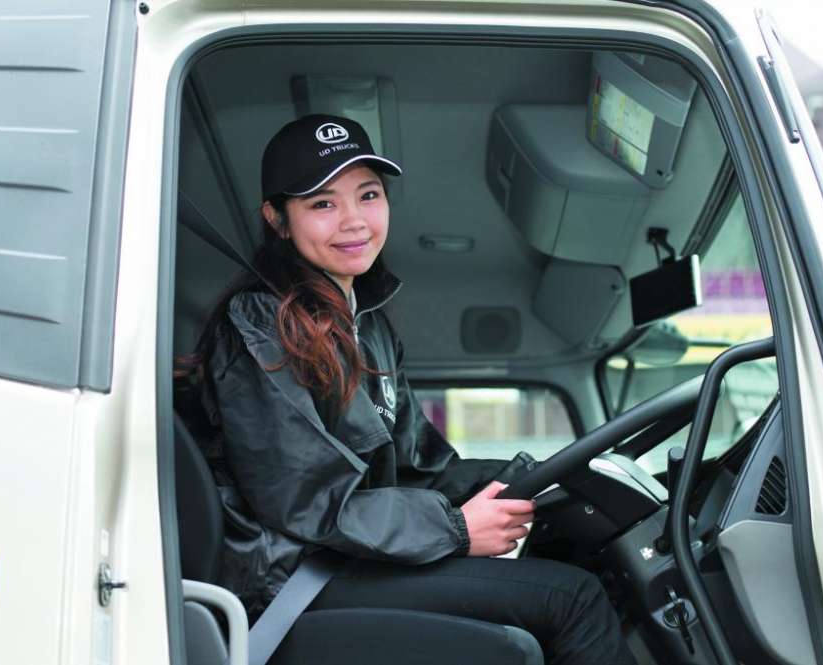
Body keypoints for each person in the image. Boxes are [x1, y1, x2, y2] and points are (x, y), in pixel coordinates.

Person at [180, 114, 637, 665]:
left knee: (568, 580)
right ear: (278, 220)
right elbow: (303, 501)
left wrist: (533, 479)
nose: (354, 220)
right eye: (323, 204)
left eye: (368, 195)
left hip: (344, 559)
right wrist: (457, 529)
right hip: (288, 580)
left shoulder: (367, 325)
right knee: (573, 600)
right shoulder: (259, 322)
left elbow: (418, 467)